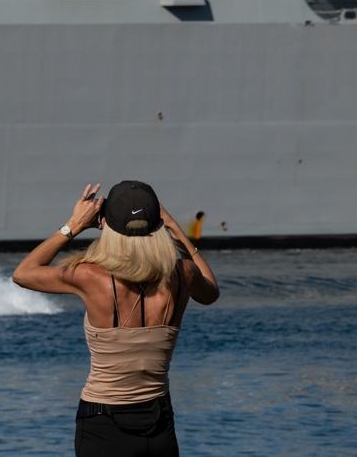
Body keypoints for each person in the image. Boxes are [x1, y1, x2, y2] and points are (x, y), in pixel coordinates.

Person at [13, 181, 219, 457]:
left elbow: (23, 274)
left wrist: (73, 225)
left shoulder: (90, 277)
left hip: (102, 425)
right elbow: (211, 293)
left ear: (105, 223)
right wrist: (175, 229)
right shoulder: (184, 274)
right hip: (159, 425)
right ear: (159, 222)